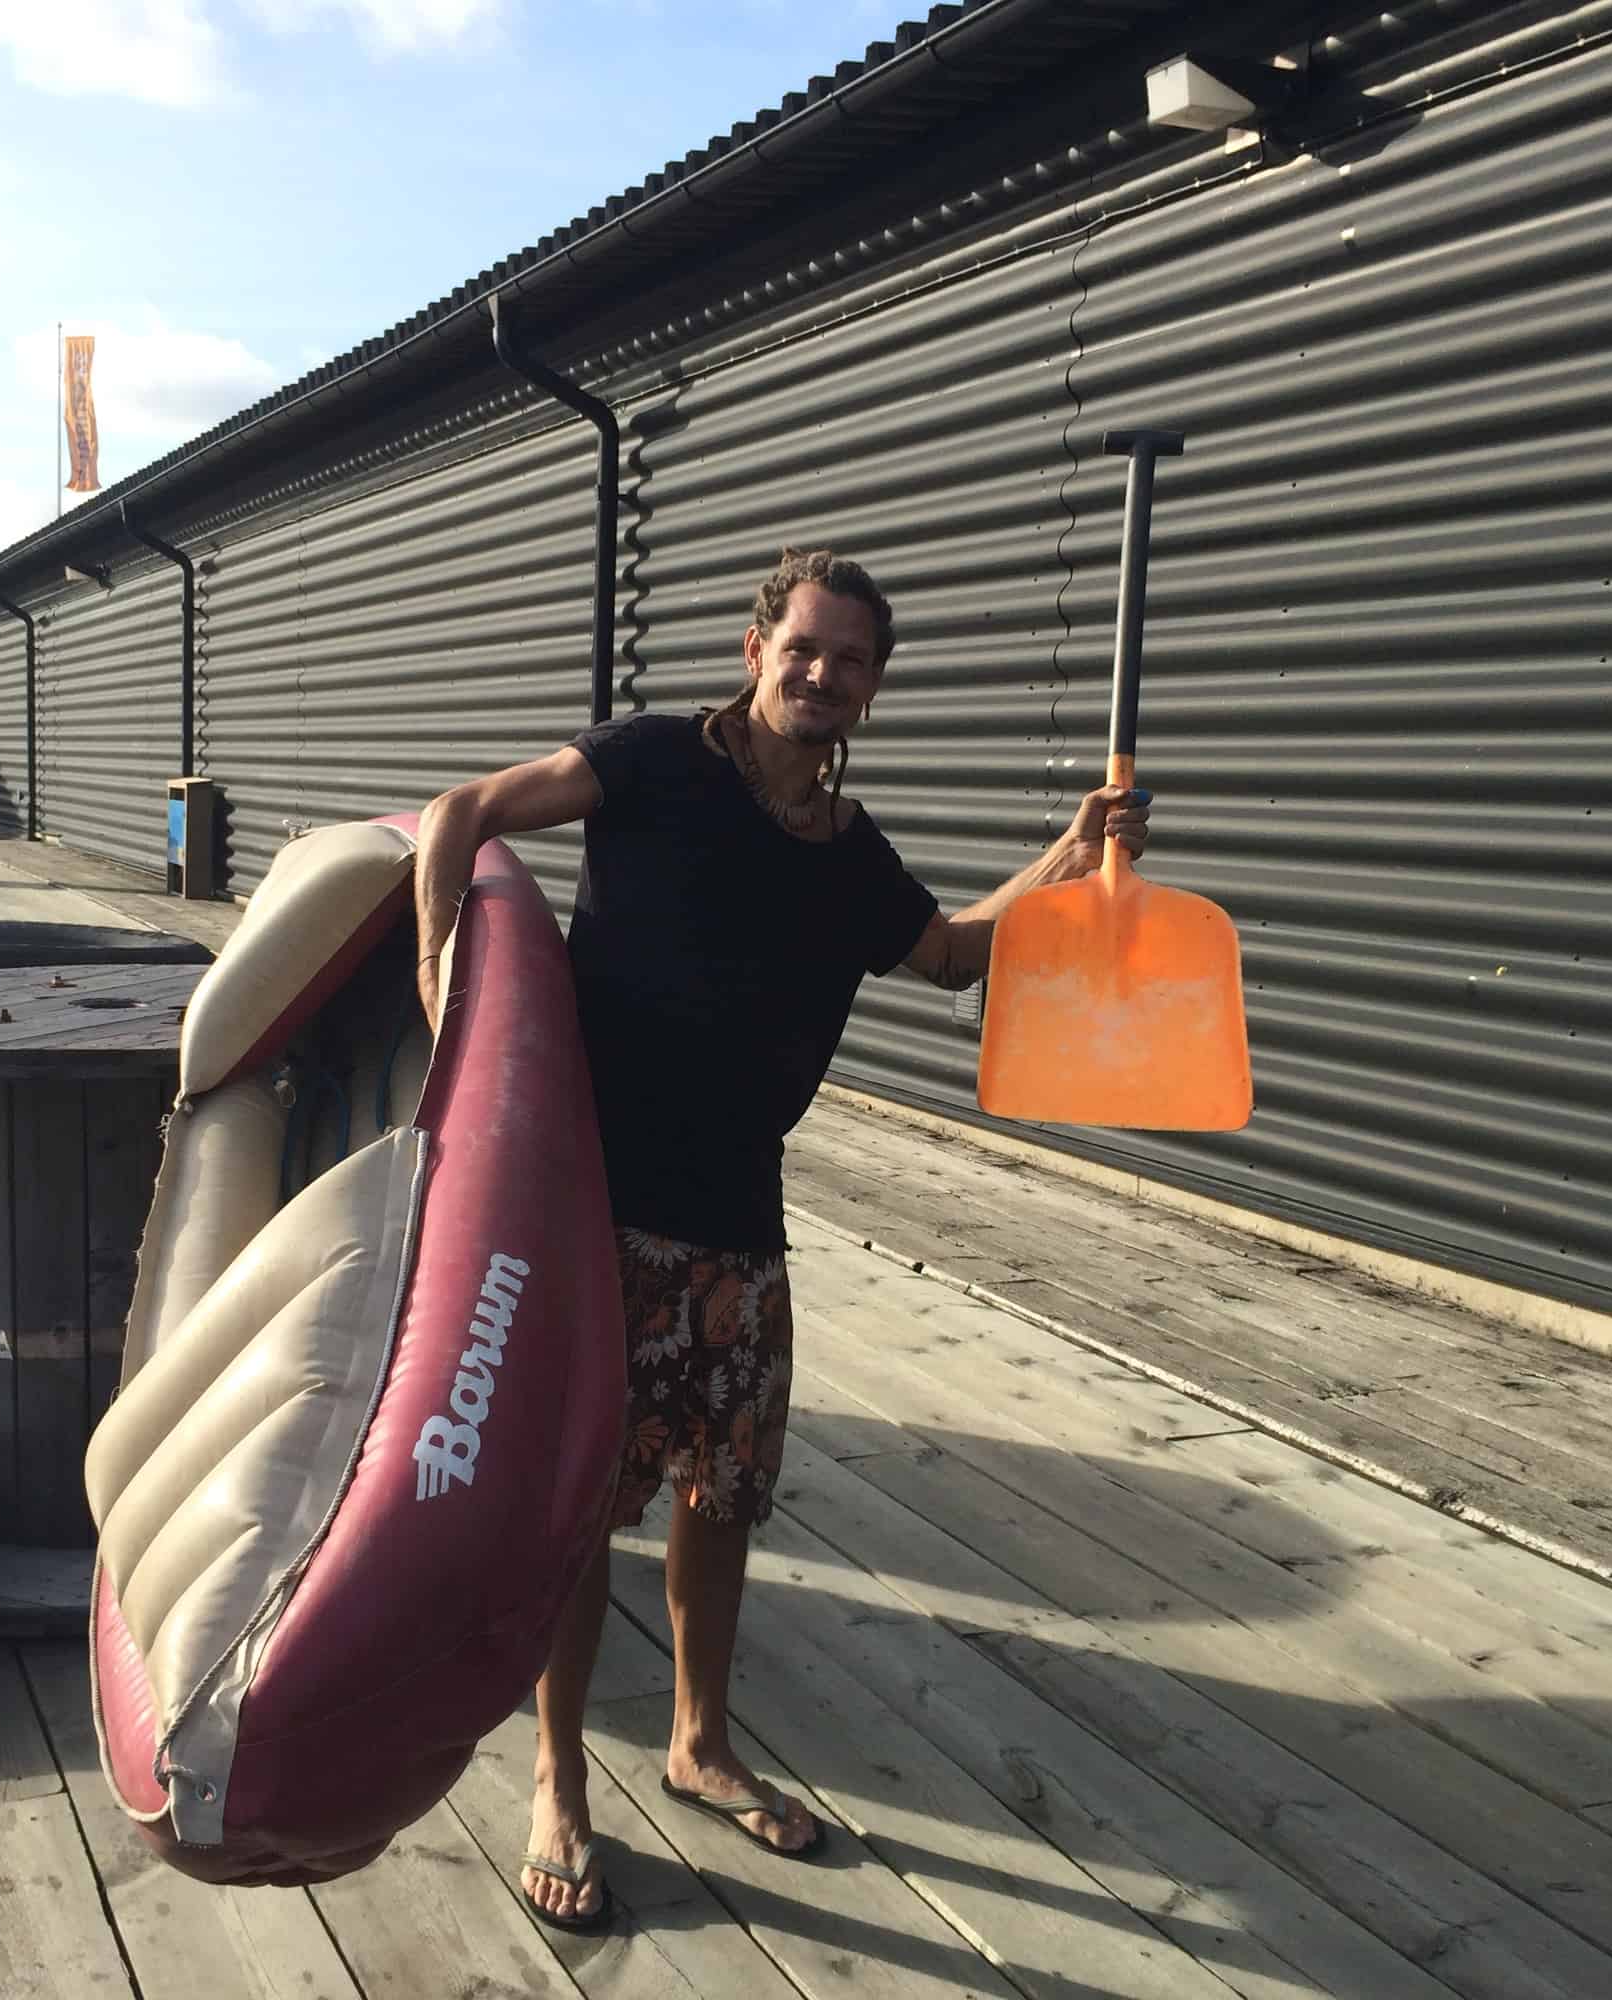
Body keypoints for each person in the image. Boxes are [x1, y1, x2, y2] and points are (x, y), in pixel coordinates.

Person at [414, 547, 1152, 1932]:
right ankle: (558, 1777)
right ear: (757, 648)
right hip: (599, 1215)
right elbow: (462, 815)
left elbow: (947, 954)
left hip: (741, 1232)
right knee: (580, 1513)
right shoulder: (649, 764)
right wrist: (438, 988)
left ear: (872, 692)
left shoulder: (847, 855)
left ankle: (696, 1744)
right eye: (804, 647)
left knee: (722, 1503)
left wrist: (1074, 849)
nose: (823, 674)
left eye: (852, 660)